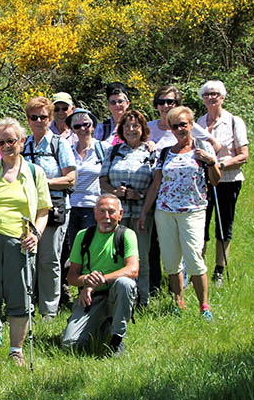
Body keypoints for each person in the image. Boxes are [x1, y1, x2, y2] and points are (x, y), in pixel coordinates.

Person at [0, 118, 51, 365]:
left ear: (22, 142)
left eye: (11, 141)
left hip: (21, 242)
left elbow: (44, 211)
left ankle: (16, 350)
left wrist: (35, 235)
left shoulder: (35, 173)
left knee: (20, 298)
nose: (6, 146)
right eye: (1, 142)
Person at [138, 107, 220, 320]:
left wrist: (210, 162)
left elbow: (216, 179)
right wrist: (144, 213)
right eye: (175, 126)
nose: (180, 129)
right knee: (171, 261)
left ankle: (204, 306)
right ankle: (178, 302)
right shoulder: (165, 152)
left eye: (184, 124)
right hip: (165, 212)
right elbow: (156, 185)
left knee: (194, 259)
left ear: (192, 125)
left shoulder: (202, 149)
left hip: (193, 211)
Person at [61, 194, 139, 356]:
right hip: (91, 298)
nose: (107, 217)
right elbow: (72, 277)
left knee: (126, 283)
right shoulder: (84, 236)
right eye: (102, 211)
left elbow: (133, 270)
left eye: (111, 212)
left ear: (120, 214)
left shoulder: (127, 235)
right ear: (95, 213)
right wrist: (86, 281)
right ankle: (103, 326)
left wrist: (99, 281)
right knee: (70, 345)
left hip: (116, 296)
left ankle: (116, 339)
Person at [22, 96, 76, 321]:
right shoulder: (23, 144)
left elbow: (71, 178)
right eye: (33, 117)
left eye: (43, 117)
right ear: (28, 119)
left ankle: (49, 311)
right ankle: (26, 307)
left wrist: (41, 182)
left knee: (49, 259)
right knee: (27, 258)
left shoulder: (59, 144)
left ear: (50, 118)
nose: (38, 121)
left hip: (54, 208)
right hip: (27, 209)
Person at [99, 110, 156, 307]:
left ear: (143, 129)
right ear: (121, 129)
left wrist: (138, 194)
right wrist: (115, 192)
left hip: (142, 212)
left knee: (141, 257)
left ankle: (142, 300)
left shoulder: (151, 152)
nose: (131, 130)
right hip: (117, 215)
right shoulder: (113, 151)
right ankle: (117, 298)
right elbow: (103, 180)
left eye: (136, 126)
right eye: (127, 126)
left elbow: (156, 184)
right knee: (116, 256)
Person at [196, 80, 249, 287]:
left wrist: (219, 164)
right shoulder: (199, 122)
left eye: (215, 94)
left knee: (223, 225)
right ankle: (198, 271)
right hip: (203, 182)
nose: (211, 97)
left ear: (223, 97)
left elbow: (243, 155)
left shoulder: (234, 122)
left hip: (228, 180)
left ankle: (219, 270)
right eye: (207, 94)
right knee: (200, 226)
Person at [67, 108, 108, 250]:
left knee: (90, 249)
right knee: (73, 250)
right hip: (70, 207)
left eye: (86, 124)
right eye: (77, 126)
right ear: (72, 129)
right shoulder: (68, 150)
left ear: (93, 126)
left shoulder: (103, 148)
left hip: (93, 207)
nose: (82, 129)